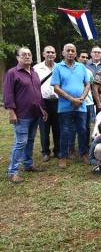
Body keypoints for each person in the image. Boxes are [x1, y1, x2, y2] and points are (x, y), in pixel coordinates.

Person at [4, 47, 48, 183]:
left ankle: (28, 165)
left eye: (29, 54)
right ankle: (13, 172)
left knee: (30, 140)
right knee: (20, 142)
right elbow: (8, 94)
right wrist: (11, 112)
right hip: (21, 115)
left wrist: (43, 109)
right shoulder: (12, 73)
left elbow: (38, 94)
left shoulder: (34, 72)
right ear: (18, 58)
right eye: (24, 54)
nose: (27, 56)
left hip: (35, 113)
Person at [51, 43, 91, 169]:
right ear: (63, 53)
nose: (70, 52)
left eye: (72, 51)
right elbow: (56, 88)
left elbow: (87, 84)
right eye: (67, 50)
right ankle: (63, 156)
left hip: (81, 105)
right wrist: (71, 99)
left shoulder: (81, 67)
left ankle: (84, 153)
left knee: (83, 130)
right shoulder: (58, 67)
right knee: (65, 131)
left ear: (75, 53)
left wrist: (81, 99)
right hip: (65, 107)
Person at [33, 45, 60, 162]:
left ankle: (58, 150)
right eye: (48, 52)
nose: (50, 54)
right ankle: (45, 152)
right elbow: (33, 87)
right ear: (43, 54)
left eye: (52, 52)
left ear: (55, 55)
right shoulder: (36, 68)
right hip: (43, 102)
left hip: (58, 101)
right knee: (44, 128)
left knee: (58, 127)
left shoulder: (60, 67)